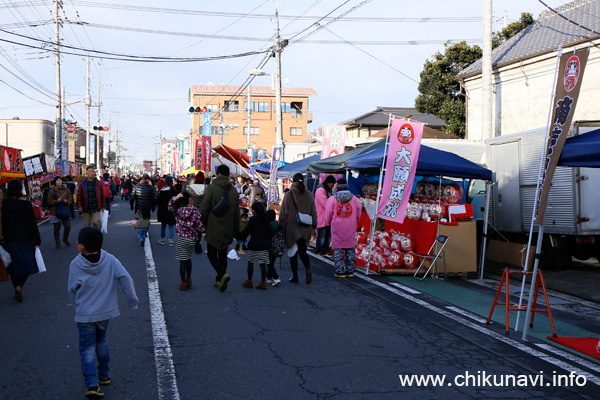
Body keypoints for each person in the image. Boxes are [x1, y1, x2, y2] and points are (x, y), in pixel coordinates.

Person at [68, 227, 139, 399]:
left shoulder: (76, 264)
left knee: (87, 348)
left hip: (85, 314)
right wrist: (132, 301)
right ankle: (104, 375)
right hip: (105, 312)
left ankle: (92, 384)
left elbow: (72, 289)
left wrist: (77, 304)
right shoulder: (110, 259)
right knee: (101, 341)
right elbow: (125, 278)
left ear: (80, 247)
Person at [200, 164, 239, 292]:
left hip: (213, 225)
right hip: (228, 227)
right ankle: (219, 280)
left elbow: (205, 208)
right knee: (223, 253)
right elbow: (236, 213)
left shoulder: (212, 188)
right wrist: (236, 229)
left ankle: (222, 274)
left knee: (211, 253)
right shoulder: (233, 191)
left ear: (217, 174)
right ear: (228, 175)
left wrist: (204, 223)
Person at [1, 179, 41, 303]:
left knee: (12, 265)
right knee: (28, 264)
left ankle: (16, 287)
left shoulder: (4, 205)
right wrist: (36, 240)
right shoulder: (26, 205)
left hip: (8, 239)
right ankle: (19, 286)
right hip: (25, 239)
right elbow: (32, 224)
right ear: (20, 190)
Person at [279, 173, 318, 284]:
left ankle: (295, 277)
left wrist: (281, 224)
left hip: (292, 227)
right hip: (305, 228)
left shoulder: (289, 195)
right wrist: (314, 226)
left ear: (293, 181)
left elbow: (283, 213)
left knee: (293, 254)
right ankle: (308, 269)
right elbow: (313, 212)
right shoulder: (309, 195)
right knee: (303, 251)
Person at [325, 178, 361, 278]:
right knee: (350, 249)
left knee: (338, 249)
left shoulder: (332, 199)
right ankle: (350, 270)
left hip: (337, 227)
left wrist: (328, 222)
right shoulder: (354, 199)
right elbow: (358, 213)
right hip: (350, 227)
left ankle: (340, 271)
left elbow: (328, 213)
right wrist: (355, 220)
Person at [169, 192, 202, 291]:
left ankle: (183, 282)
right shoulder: (195, 211)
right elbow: (200, 226)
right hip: (192, 238)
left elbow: (170, 206)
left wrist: (175, 197)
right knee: (188, 258)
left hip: (182, 238)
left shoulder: (178, 211)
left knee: (182, 260)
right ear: (190, 199)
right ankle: (189, 279)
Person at [235, 201, 272, 290]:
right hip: (264, 245)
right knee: (262, 264)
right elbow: (270, 232)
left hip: (255, 244)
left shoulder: (253, 220)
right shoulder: (266, 219)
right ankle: (263, 282)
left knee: (251, 262)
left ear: (254, 211)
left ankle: (249, 281)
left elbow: (246, 232)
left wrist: (237, 234)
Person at [47, 176, 73, 248]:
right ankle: (57, 242)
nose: (59, 182)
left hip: (64, 210)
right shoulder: (52, 190)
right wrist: (56, 201)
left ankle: (65, 238)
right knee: (57, 228)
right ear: (55, 182)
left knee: (68, 226)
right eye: (57, 180)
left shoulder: (66, 189)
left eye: (60, 180)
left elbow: (70, 199)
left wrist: (67, 201)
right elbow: (49, 201)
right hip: (55, 211)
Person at [315, 175, 336, 256]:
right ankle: (319, 251)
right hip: (322, 216)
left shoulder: (328, 190)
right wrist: (334, 204)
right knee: (322, 236)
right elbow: (325, 203)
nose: (333, 185)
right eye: (332, 183)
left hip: (328, 217)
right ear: (329, 183)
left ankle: (326, 251)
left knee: (328, 236)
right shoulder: (320, 190)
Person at [157, 176, 176, 246]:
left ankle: (162, 239)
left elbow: (158, 201)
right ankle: (170, 240)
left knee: (163, 225)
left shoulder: (163, 191)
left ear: (166, 183)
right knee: (171, 226)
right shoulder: (174, 191)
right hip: (171, 210)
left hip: (163, 210)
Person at [265, 209, 282, 286]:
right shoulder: (278, 225)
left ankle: (276, 277)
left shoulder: (267, 225)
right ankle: (268, 278)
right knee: (271, 262)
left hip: (269, 247)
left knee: (269, 264)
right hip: (278, 247)